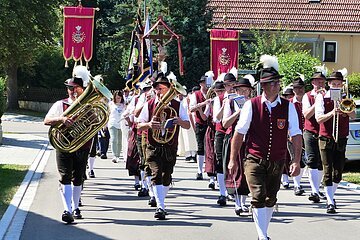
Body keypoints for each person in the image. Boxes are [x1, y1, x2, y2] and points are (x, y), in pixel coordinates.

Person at [228, 55, 302, 240]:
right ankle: (262, 235)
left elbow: (296, 134)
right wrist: (232, 160)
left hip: (277, 160)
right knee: (259, 195)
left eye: (277, 82)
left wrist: (297, 161)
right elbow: (239, 133)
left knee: (270, 198)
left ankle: (263, 231)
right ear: (264, 86)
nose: (277, 85)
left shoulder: (288, 106)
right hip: (254, 158)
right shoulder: (251, 105)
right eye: (273, 83)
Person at [137, 73, 190, 220]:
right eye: (157, 89)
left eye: (161, 88)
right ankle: (160, 207)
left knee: (167, 176)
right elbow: (139, 125)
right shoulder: (149, 104)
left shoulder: (178, 105)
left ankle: (161, 200)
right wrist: (148, 124)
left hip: (170, 145)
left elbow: (187, 125)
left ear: (169, 89)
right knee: (156, 173)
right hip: (153, 145)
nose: (158, 91)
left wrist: (179, 120)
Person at [44, 73, 92, 224]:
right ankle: (67, 210)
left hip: (81, 146)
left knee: (78, 178)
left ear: (82, 89)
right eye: (70, 88)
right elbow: (46, 120)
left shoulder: (88, 105)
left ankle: (75, 207)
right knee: (65, 177)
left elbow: (96, 122)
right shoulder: (60, 104)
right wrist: (62, 119)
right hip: (64, 145)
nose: (72, 91)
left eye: (75, 88)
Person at [315, 70, 355, 214]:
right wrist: (332, 113)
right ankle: (330, 201)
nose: (336, 86)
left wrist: (345, 109)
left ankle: (331, 195)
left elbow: (353, 115)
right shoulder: (321, 98)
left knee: (338, 172)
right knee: (327, 169)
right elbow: (319, 119)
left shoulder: (346, 98)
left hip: (341, 137)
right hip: (326, 137)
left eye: (339, 84)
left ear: (342, 85)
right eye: (334, 84)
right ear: (329, 84)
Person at [222, 76, 253, 215]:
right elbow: (225, 123)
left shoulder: (253, 103)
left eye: (245, 91)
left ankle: (244, 202)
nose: (243, 93)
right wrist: (238, 113)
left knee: (248, 171)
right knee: (235, 170)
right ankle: (237, 203)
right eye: (240, 90)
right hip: (234, 139)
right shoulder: (230, 103)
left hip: (250, 140)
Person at [212, 73, 237, 206]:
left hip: (236, 132)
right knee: (221, 161)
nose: (231, 87)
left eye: (233, 84)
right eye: (228, 85)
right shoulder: (220, 99)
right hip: (222, 132)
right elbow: (216, 118)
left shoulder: (240, 97)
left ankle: (232, 190)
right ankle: (222, 192)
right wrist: (224, 104)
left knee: (233, 161)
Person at [302, 70, 327, 203]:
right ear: (313, 83)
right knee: (312, 160)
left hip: (324, 132)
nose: (320, 84)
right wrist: (317, 101)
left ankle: (318, 188)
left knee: (323, 162)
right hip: (310, 131)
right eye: (318, 81)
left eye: (322, 81)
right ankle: (314, 191)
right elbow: (306, 115)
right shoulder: (307, 96)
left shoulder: (328, 95)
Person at [189, 76, 209, 180]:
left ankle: (210, 172)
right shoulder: (195, 95)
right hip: (200, 123)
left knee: (210, 148)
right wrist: (202, 104)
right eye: (205, 82)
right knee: (200, 147)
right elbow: (191, 108)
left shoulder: (212, 93)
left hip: (210, 124)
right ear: (201, 84)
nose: (207, 84)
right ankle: (199, 170)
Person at [290, 76, 306, 196]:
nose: (298, 90)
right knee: (296, 158)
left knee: (308, 160)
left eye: (300, 88)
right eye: (296, 88)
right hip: (294, 135)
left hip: (308, 133)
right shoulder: (289, 103)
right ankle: (297, 184)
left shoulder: (309, 100)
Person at [108, 91, 126, 163]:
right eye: (117, 98)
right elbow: (108, 113)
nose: (118, 99)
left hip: (121, 124)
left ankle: (118, 155)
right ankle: (114, 155)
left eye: (120, 98)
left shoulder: (124, 105)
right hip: (112, 123)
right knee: (113, 139)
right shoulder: (111, 104)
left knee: (119, 141)